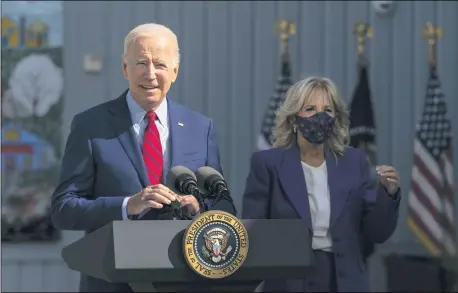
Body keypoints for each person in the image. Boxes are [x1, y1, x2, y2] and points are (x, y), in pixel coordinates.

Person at [51, 23, 235, 292]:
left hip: (185, 277)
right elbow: (63, 210)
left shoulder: (200, 127)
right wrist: (128, 205)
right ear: (125, 68)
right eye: (141, 62)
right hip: (113, 282)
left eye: (159, 64)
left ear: (175, 71)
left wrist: (201, 208)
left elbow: (225, 208)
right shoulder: (91, 126)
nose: (150, 74)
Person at [242, 76, 401, 292]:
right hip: (288, 281)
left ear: (336, 117)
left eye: (327, 110)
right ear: (294, 119)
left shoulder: (355, 162)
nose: (320, 116)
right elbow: (253, 230)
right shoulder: (268, 164)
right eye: (310, 108)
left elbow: (377, 232)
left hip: (345, 281)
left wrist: (388, 194)